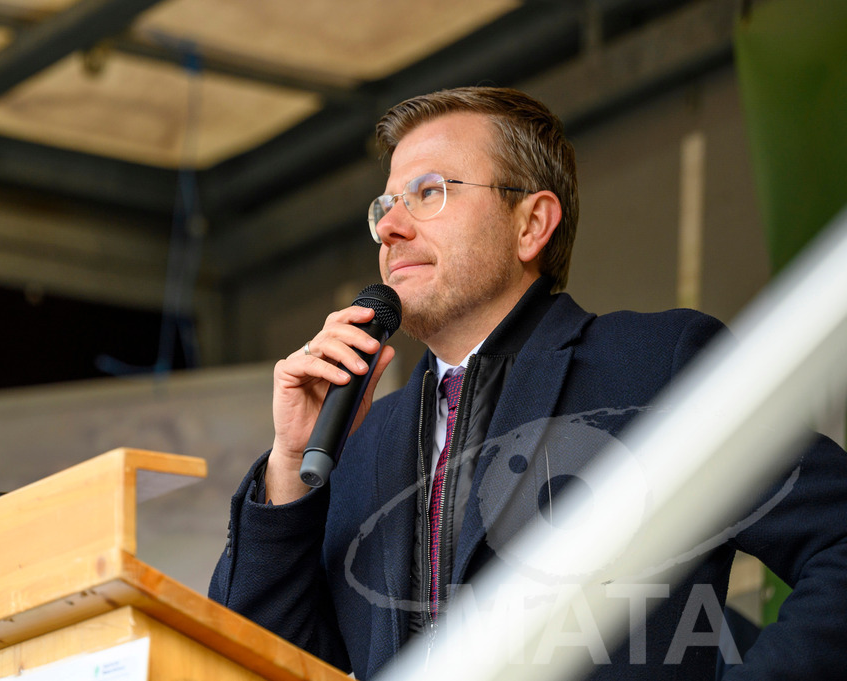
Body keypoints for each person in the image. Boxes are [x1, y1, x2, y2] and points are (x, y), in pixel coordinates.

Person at [208, 87, 847, 680]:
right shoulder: (364, 439)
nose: (392, 229)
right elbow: (258, 656)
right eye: (386, 205)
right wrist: (290, 462)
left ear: (532, 224)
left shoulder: (656, 366)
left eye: (429, 192)